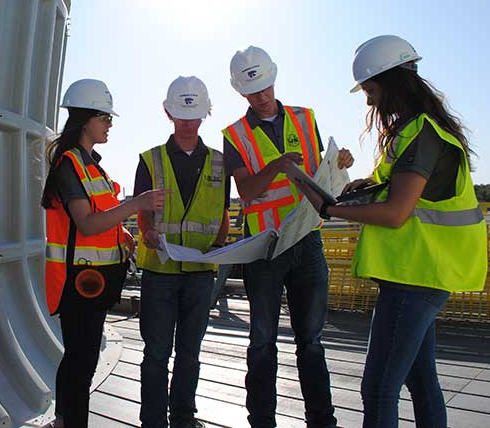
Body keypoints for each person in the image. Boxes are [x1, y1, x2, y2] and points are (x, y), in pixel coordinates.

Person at [295, 35, 488, 428]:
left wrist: (330, 208)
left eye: (370, 89)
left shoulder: (420, 134)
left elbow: (398, 213)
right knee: (421, 380)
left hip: (415, 278)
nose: (368, 101)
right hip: (423, 274)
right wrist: (366, 183)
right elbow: (408, 193)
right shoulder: (419, 131)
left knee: (379, 389)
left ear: (392, 82)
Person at [222, 46, 353, 428]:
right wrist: (277, 166)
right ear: (240, 92)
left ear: (274, 79)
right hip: (265, 248)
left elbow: (320, 173)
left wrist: (340, 164)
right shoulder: (235, 135)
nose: (262, 96)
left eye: (266, 86)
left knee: (311, 341)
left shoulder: (305, 117)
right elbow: (246, 192)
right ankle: (261, 421)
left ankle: (322, 421)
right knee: (262, 341)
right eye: (253, 90)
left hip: (307, 240)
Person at [42, 79, 169, 428]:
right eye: (105, 118)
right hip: (78, 284)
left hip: (91, 283)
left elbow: (98, 218)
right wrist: (136, 204)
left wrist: (121, 234)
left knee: (78, 360)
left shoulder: (90, 164)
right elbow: (85, 223)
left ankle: (64, 420)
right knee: (82, 364)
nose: (110, 124)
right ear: (86, 119)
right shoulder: (70, 165)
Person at [134, 76, 230, 428]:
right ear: (168, 113)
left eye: (195, 115)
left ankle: (184, 419)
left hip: (201, 274)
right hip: (160, 271)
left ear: (206, 113)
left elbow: (221, 213)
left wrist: (219, 246)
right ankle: (153, 421)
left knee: (190, 355)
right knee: (156, 354)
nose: (189, 123)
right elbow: (142, 212)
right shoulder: (150, 160)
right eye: (181, 115)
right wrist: (146, 233)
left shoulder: (221, 163)